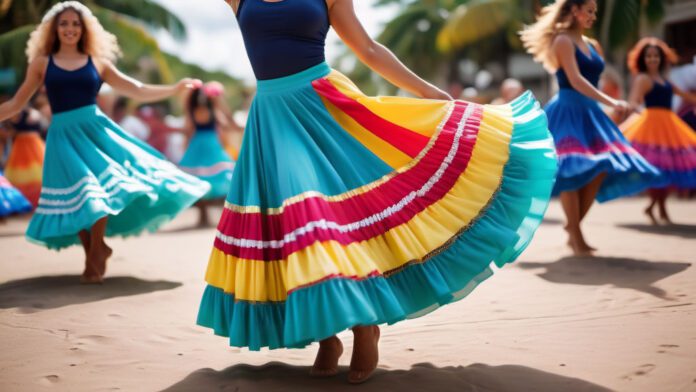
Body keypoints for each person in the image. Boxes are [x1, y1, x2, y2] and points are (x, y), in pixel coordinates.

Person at [197, 0, 557, 384]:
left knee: (325, 219)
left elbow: (367, 49)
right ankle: (326, 334)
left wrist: (426, 90)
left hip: (324, 108)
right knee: (291, 229)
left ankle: (363, 327)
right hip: (271, 120)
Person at [0, 1, 209, 283]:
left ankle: (96, 249)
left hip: (96, 132)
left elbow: (135, 89)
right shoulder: (41, 64)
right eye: (64, 24)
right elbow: (16, 102)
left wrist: (173, 88)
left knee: (95, 193)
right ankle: (94, 250)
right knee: (81, 196)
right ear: (54, 29)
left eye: (76, 24)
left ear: (85, 29)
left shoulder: (97, 62)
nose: (70, 29)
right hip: (62, 136)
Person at [520, 0, 664, 255]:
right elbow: (575, 80)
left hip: (590, 112)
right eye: (589, 10)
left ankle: (572, 227)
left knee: (601, 166)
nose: (593, 16)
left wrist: (612, 104)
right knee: (570, 172)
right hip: (567, 110)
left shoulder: (593, 45)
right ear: (574, 11)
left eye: (595, 11)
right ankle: (576, 235)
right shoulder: (562, 41)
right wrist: (612, 101)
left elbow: (598, 79)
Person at [621, 37, 696, 224]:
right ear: (642, 59)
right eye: (649, 56)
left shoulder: (666, 81)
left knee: (670, 169)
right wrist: (641, 113)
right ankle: (657, 208)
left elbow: (687, 96)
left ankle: (657, 208)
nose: (653, 59)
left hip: (669, 126)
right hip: (651, 126)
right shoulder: (643, 79)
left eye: (656, 56)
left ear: (662, 58)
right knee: (657, 169)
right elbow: (634, 101)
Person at [179, 82, 235, 227]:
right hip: (211, 144)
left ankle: (203, 217)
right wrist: (219, 100)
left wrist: (186, 148)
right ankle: (226, 217)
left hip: (197, 144)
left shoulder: (191, 110)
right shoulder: (213, 109)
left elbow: (188, 129)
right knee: (219, 178)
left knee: (199, 181)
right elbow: (226, 122)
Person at [4, 105, 46, 206]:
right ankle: (24, 201)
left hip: (31, 143)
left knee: (36, 173)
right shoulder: (22, 113)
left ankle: (35, 200)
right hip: (24, 143)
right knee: (25, 174)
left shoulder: (30, 112)